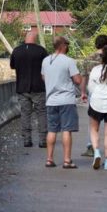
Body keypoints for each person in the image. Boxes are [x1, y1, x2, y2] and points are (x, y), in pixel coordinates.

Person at [41, 35, 86, 169]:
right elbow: (78, 80)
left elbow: (44, 78)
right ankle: (67, 160)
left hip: (51, 101)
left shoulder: (45, 61)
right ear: (63, 46)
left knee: (52, 130)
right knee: (66, 130)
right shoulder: (69, 61)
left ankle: (49, 159)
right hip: (66, 100)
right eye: (67, 45)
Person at [10, 28, 49, 148]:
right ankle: (43, 140)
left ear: (25, 39)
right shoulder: (41, 51)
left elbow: (12, 66)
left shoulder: (16, 51)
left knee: (25, 114)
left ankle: (27, 140)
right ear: (35, 39)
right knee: (41, 113)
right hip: (38, 87)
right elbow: (47, 67)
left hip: (22, 87)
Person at [80, 34, 107, 158]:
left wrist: (83, 92)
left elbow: (84, 78)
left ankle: (91, 147)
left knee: (93, 123)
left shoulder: (88, 59)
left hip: (93, 93)